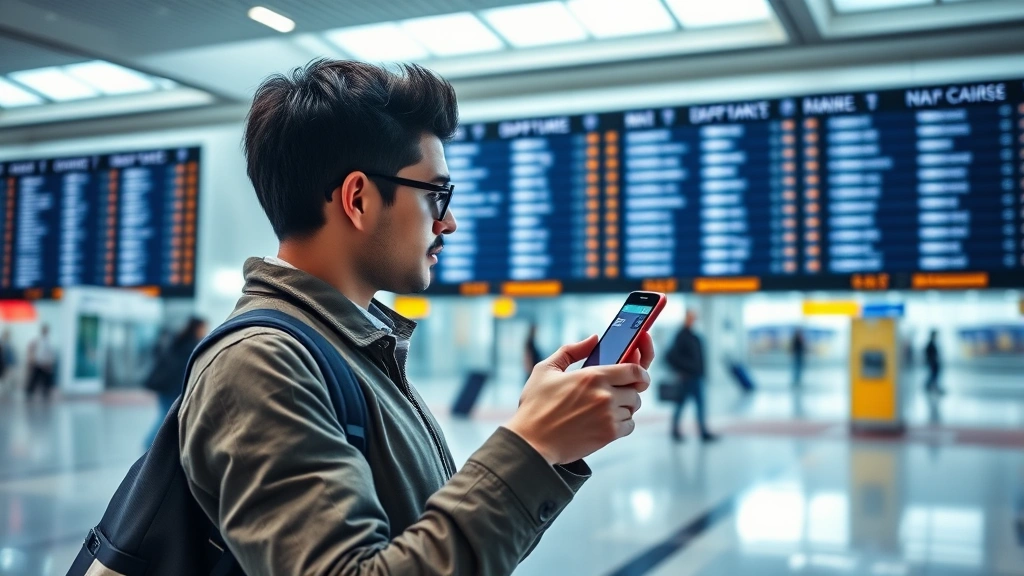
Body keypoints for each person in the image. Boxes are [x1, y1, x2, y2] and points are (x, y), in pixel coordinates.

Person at [178, 59, 654, 576]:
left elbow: (426, 543)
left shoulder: (345, 346)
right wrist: (532, 445)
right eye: (435, 194)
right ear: (358, 199)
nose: (448, 222)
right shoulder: (261, 365)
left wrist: (552, 446)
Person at [143, 316, 207, 447]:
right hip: (174, 390)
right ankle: (150, 446)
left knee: (165, 418)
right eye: (204, 327)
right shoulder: (192, 346)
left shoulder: (179, 341)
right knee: (165, 420)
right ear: (198, 328)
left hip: (166, 388)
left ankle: (152, 446)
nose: (206, 331)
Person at [666, 309, 717, 443]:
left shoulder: (695, 336)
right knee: (680, 404)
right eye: (690, 317)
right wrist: (682, 370)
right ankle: (675, 431)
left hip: (697, 377)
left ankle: (703, 432)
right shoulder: (681, 336)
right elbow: (671, 356)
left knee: (700, 405)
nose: (693, 320)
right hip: (687, 378)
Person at [26, 324, 57, 401]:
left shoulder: (48, 341)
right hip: (38, 362)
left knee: (46, 380)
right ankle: (29, 391)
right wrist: (32, 360)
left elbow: (50, 353)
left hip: (45, 364)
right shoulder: (38, 340)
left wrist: (49, 362)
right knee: (34, 378)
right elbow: (32, 350)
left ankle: (45, 392)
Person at [924, 329, 944, 395]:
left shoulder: (933, 343)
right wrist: (931, 360)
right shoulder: (930, 343)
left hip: (934, 362)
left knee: (933, 376)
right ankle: (931, 387)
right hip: (932, 362)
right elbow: (927, 353)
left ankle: (929, 386)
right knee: (933, 375)